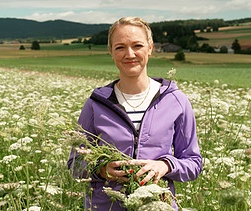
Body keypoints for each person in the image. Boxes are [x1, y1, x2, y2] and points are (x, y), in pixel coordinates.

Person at [68, 16, 202, 211]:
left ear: (150, 48)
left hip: (157, 205)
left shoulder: (176, 101)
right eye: (120, 47)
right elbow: (75, 164)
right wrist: (103, 170)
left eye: (137, 45)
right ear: (111, 52)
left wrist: (165, 166)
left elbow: (193, 164)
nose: (129, 54)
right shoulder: (96, 104)